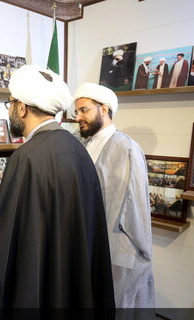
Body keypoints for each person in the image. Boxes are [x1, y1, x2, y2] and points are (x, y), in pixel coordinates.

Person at [0, 65, 115, 314]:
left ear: (21, 107)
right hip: (73, 278)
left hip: (35, 285)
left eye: (10, 103)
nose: (10, 110)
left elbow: (6, 239)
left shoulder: (25, 158)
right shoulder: (78, 150)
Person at [74, 82, 155, 308]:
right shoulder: (82, 144)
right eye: (77, 111)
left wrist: (140, 254)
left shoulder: (127, 148)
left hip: (117, 248)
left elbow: (136, 207)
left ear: (104, 109)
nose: (78, 116)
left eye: (84, 110)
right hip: (88, 242)